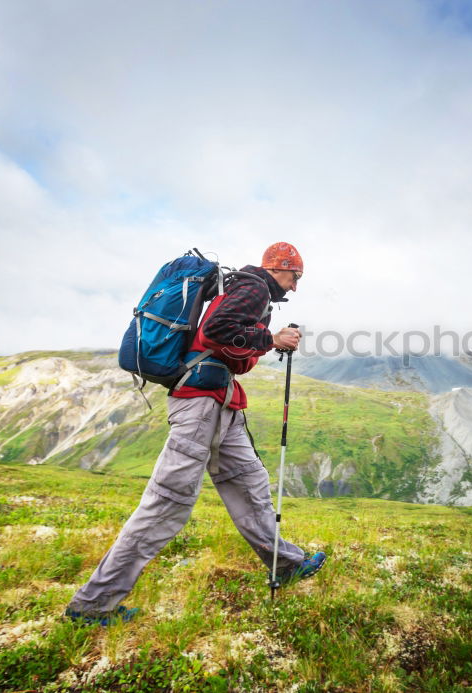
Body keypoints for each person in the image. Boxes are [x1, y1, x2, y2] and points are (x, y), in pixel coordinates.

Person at [65, 242, 325, 625]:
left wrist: (263, 343)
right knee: (167, 503)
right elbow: (218, 330)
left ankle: (285, 564)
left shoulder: (248, 288)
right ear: (279, 268)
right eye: (295, 276)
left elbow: (232, 351)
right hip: (201, 406)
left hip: (221, 404)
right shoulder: (253, 287)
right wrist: (271, 340)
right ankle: (91, 606)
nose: (295, 286)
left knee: (250, 483)